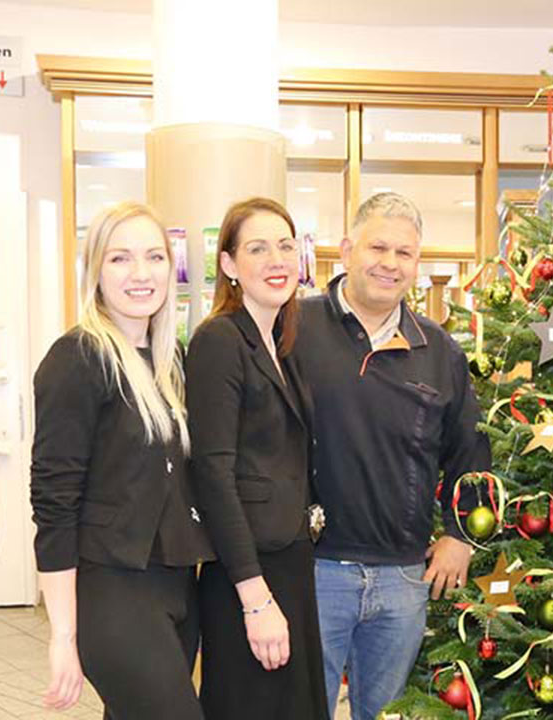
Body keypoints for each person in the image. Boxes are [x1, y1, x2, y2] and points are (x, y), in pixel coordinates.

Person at [294, 192, 491, 720]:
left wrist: (460, 535)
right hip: (313, 570)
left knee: (385, 714)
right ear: (347, 250)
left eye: (404, 253)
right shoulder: (294, 329)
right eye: (377, 247)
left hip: (403, 577)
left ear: (417, 263)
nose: (390, 263)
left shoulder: (439, 350)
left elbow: (470, 450)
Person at [30, 201, 213, 719]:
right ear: (95, 270)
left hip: (177, 585)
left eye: (154, 257)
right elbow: (53, 503)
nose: (141, 273)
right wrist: (63, 636)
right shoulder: (78, 358)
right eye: (120, 258)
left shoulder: (171, 361)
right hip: (112, 591)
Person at [186, 198, 329, 720]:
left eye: (285, 246)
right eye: (258, 248)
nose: (276, 260)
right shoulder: (220, 340)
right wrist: (255, 599)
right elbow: (213, 474)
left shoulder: (280, 342)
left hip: (290, 561)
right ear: (228, 264)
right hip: (247, 572)